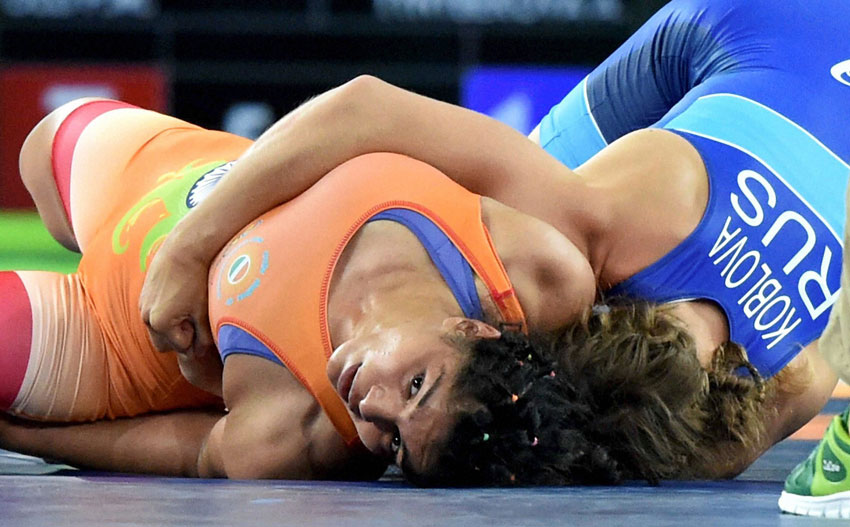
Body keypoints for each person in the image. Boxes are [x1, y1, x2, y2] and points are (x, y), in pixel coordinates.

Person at [137, 0, 849, 488]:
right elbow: (366, 107)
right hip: (757, 26)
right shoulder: (598, 232)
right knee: (502, 245)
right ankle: (232, 193)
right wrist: (190, 247)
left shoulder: (769, 392)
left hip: (795, 65)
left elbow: (810, 380)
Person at [0, 96, 597, 479]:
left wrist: (25, 437)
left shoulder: (297, 433)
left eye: (391, 445)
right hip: (176, 170)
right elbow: (363, 108)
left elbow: (199, 452)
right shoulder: (532, 271)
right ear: (471, 329)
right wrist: (189, 248)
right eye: (416, 385)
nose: (374, 408)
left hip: (107, 334)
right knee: (43, 146)